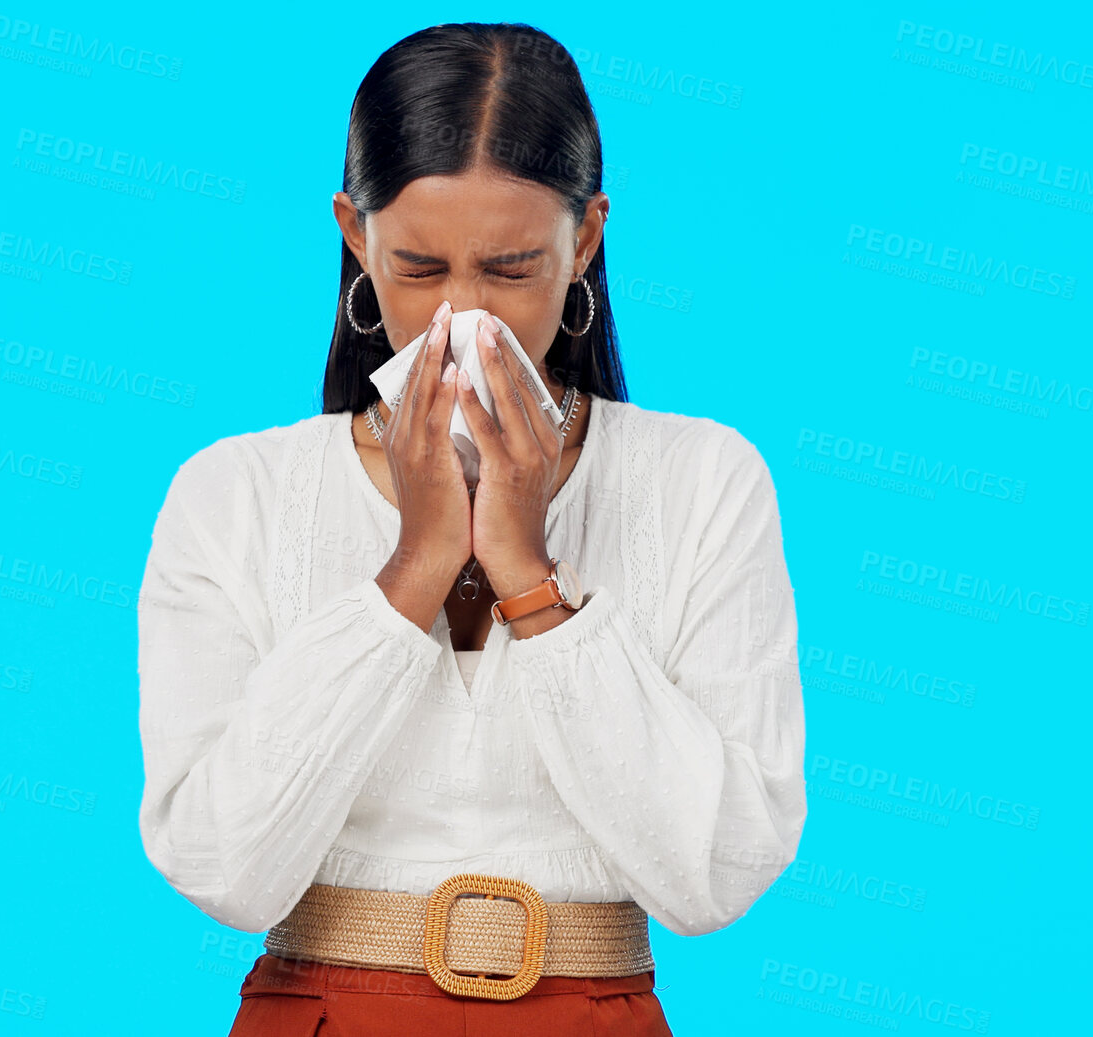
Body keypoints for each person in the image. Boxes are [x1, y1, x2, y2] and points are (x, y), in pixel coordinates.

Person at [137, 21, 806, 1036]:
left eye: (507, 269)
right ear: (354, 236)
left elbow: (717, 872)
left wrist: (533, 578)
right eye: (417, 267)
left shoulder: (705, 481)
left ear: (584, 241)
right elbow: (226, 869)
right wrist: (411, 571)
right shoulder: (232, 493)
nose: (463, 319)